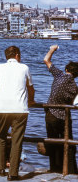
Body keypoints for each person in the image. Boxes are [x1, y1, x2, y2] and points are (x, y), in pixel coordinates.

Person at [0, 45, 35, 180]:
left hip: (2, 109)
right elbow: (30, 88)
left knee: (0, 137)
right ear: (17, 55)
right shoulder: (24, 68)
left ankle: (0, 168)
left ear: (6, 56)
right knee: (16, 140)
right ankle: (13, 173)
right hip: (20, 110)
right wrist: (31, 100)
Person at [43, 45, 78, 174]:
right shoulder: (75, 87)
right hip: (65, 117)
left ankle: (55, 169)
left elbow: (46, 60)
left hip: (51, 113)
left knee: (52, 141)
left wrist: (52, 49)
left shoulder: (59, 75)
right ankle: (70, 169)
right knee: (67, 143)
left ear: (66, 69)